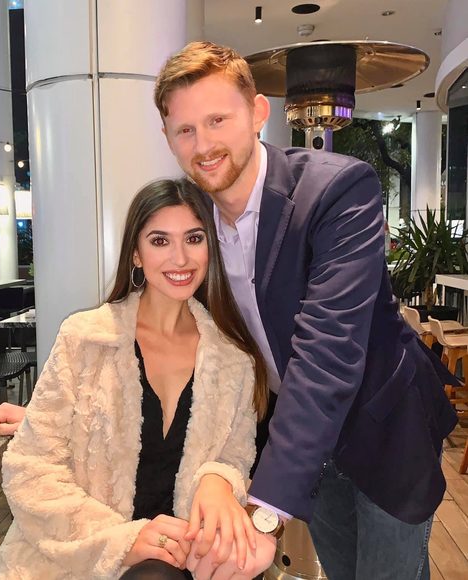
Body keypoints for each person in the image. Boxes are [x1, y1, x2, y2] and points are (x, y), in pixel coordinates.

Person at [150, 41, 458, 580]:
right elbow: (162, 316)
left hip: (384, 428)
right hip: (301, 441)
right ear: (168, 138)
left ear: (257, 113)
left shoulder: (338, 189)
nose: (203, 145)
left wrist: (265, 514)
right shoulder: (194, 220)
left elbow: (328, 353)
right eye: (185, 130)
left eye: (218, 120)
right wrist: (72, 404)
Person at [0, 178, 276, 580]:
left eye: (194, 238)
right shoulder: (86, 339)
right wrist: (122, 541)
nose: (180, 258)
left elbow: (235, 457)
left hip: (187, 556)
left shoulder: (234, 359)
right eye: (160, 241)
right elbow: (31, 469)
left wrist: (219, 478)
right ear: (136, 254)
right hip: (84, 559)